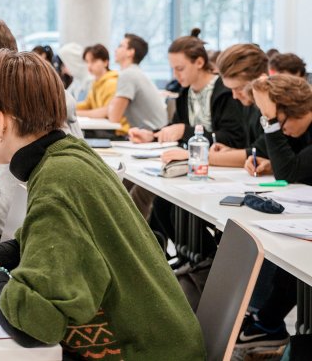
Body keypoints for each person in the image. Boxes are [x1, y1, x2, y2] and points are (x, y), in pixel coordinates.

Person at [0, 50, 205, 360]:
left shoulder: (56, 182)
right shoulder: (68, 155)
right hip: (164, 341)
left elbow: (38, 326)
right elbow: (32, 244)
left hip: (141, 351)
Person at [235, 74, 312, 353]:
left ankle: (267, 322)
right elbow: (288, 169)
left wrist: (271, 125)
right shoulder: (300, 130)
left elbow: (289, 173)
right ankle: (265, 321)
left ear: (295, 110)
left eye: (276, 120)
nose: (278, 129)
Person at [129, 32, 244, 148]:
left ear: (199, 62)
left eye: (180, 69)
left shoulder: (226, 91)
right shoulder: (185, 92)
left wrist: (185, 131)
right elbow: (175, 128)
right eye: (173, 69)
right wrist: (152, 136)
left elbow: (233, 138)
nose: (175, 75)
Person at [162, 43, 268, 167]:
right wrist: (231, 152)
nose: (234, 96)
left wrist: (196, 155)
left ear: (261, 80)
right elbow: (254, 150)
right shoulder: (248, 105)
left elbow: (260, 152)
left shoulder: (269, 109)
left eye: (239, 88)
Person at [92, 33, 168, 132]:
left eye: (120, 46)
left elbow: (114, 117)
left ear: (130, 52)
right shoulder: (134, 73)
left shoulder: (128, 75)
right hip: (152, 134)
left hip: (152, 137)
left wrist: (110, 107)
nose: (116, 50)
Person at [76, 43, 130, 137]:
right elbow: (87, 104)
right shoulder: (96, 82)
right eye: (87, 62)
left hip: (118, 131)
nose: (89, 66)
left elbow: (106, 111)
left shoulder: (112, 82)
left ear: (105, 62)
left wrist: (77, 113)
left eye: (93, 61)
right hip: (106, 128)